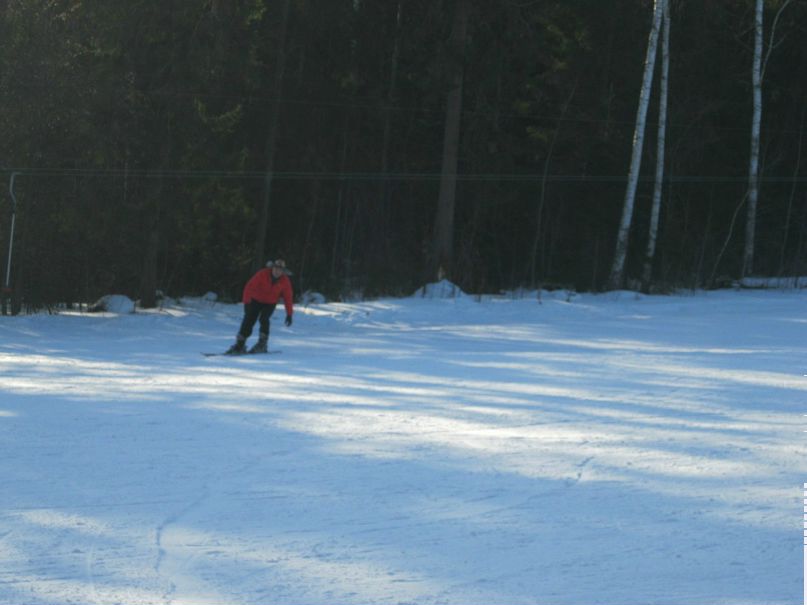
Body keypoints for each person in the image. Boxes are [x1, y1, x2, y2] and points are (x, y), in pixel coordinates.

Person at [226, 259, 293, 354]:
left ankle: (262, 344)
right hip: (255, 300)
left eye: (280, 270)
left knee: (264, 319)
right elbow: (249, 286)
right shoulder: (263, 274)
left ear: (283, 272)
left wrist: (289, 314)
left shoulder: (285, 281)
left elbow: (288, 297)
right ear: (272, 268)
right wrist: (247, 302)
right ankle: (240, 344)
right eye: (276, 268)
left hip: (270, 303)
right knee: (249, 319)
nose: (277, 271)